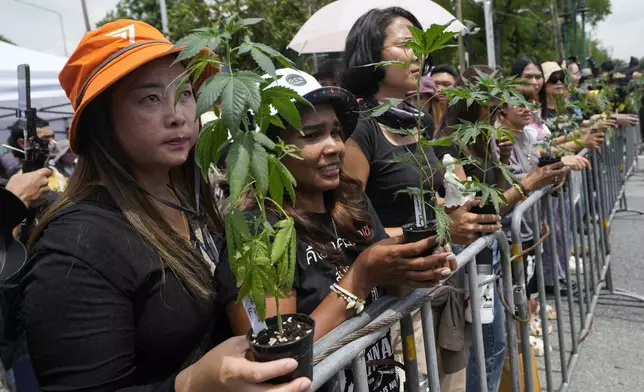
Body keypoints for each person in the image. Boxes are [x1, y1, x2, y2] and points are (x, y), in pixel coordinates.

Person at [18, 20, 312, 392]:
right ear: (99, 121)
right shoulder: (76, 247)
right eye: (150, 98)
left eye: (186, 92)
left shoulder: (189, 197)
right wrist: (190, 384)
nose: (178, 114)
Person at [219, 69, 456, 392]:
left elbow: (390, 291)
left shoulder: (351, 200)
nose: (334, 147)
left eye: (336, 132)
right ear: (269, 150)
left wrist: (417, 269)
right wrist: (360, 277)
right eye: (312, 135)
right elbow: (276, 361)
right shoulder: (255, 230)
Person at [341, 7, 501, 390]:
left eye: (423, 45)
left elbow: (443, 196)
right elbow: (349, 227)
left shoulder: (418, 121)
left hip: (436, 289)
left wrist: (460, 204)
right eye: (406, 45)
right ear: (372, 55)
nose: (420, 55)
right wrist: (442, 230)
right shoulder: (358, 129)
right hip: (392, 304)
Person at [433, 66, 569, 391]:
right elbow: (477, 208)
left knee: (493, 344)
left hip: (489, 254)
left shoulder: (485, 139)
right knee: (484, 347)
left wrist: (502, 163)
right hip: (469, 258)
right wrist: (531, 181)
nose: (498, 109)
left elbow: (492, 194)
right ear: (470, 100)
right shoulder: (449, 144)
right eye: (492, 102)